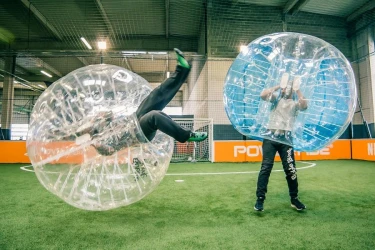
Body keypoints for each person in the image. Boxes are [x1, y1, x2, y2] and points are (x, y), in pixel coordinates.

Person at [75, 48, 208, 156]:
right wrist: (94, 143)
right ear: (85, 134)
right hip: (138, 134)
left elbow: (110, 114)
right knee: (154, 116)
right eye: (85, 129)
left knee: (156, 95)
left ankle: (182, 70)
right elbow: (110, 151)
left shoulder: (101, 125)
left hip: (135, 118)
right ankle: (186, 135)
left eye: (86, 125)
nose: (87, 126)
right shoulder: (99, 143)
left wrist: (98, 118)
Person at [254, 73, 308, 211]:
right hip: (270, 137)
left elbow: (304, 105)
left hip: (286, 139)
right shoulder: (275, 100)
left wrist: (297, 89)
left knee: (290, 169)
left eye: (289, 87)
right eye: (286, 87)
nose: (287, 90)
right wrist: (279, 85)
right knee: (266, 167)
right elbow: (262, 95)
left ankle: (294, 199)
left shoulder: (295, 104)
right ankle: (260, 199)